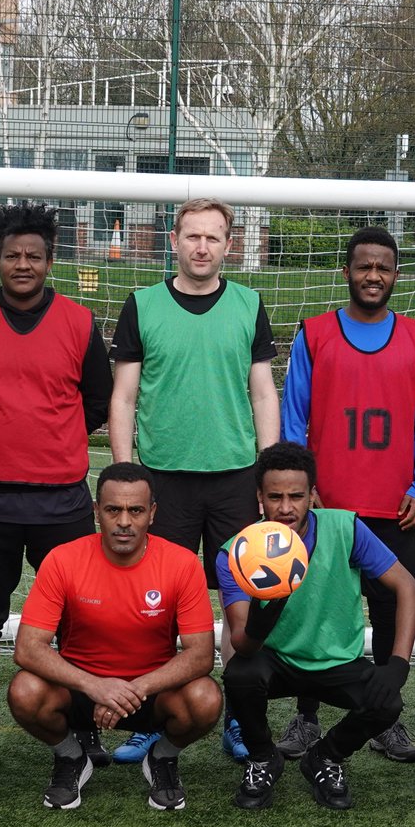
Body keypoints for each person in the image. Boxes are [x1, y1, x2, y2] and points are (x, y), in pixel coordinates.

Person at [0, 202, 111, 761]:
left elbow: (98, 401)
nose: (23, 264)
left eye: (34, 255)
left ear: (51, 261)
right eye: (13, 255)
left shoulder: (80, 322)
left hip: (62, 502)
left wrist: (47, 437)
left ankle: (82, 723)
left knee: (80, 618)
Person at [109, 197, 279, 763]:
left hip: (234, 480)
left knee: (238, 608)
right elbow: (125, 396)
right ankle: (150, 717)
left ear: (228, 245)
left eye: (213, 238)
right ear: (174, 241)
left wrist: (268, 468)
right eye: (192, 236)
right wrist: (125, 473)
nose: (201, 247)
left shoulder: (250, 304)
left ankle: (237, 717)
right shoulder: (143, 304)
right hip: (163, 481)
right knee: (156, 608)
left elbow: (262, 393)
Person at [278, 226, 415, 764]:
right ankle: (306, 717)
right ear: (346, 271)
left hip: (394, 505)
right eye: (364, 266)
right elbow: (294, 418)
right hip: (326, 507)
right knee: (312, 609)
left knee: (393, 609)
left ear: (396, 276)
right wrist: (305, 489)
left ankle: (384, 715)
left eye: (385, 268)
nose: (374, 276)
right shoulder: (316, 333)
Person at [8, 463, 223, 811]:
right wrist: (95, 686)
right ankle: (71, 756)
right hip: (80, 693)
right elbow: (28, 649)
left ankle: (162, 758)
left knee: (205, 699)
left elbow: (200, 655)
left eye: (135, 510)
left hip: (151, 692)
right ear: (97, 512)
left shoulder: (182, 563)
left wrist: (134, 689)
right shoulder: (63, 560)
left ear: (152, 513)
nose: (124, 521)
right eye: (113, 510)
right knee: (24, 690)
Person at [219, 442, 415, 811]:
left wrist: (399, 663)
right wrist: (264, 619)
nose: (285, 508)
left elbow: (406, 587)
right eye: (275, 497)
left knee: (387, 702)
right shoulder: (237, 552)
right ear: (259, 497)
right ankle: (263, 758)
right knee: (238, 676)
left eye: (296, 496)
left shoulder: (345, 528)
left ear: (312, 494)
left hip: (337, 662)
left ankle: (325, 757)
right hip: (276, 661)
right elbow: (243, 644)